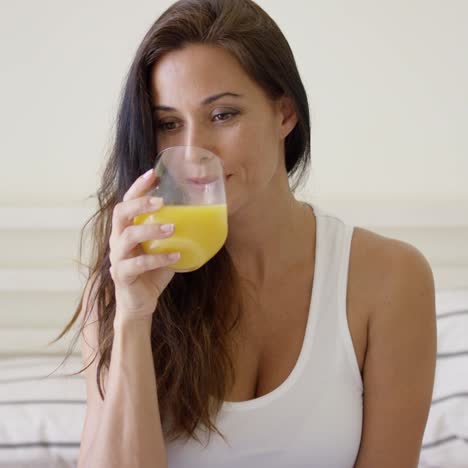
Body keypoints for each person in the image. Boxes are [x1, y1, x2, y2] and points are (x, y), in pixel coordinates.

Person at [56, 0, 436, 466]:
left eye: (222, 115)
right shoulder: (125, 284)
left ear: (284, 113)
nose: (194, 152)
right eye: (168, 124)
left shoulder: (390, 280)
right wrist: (134, 318)